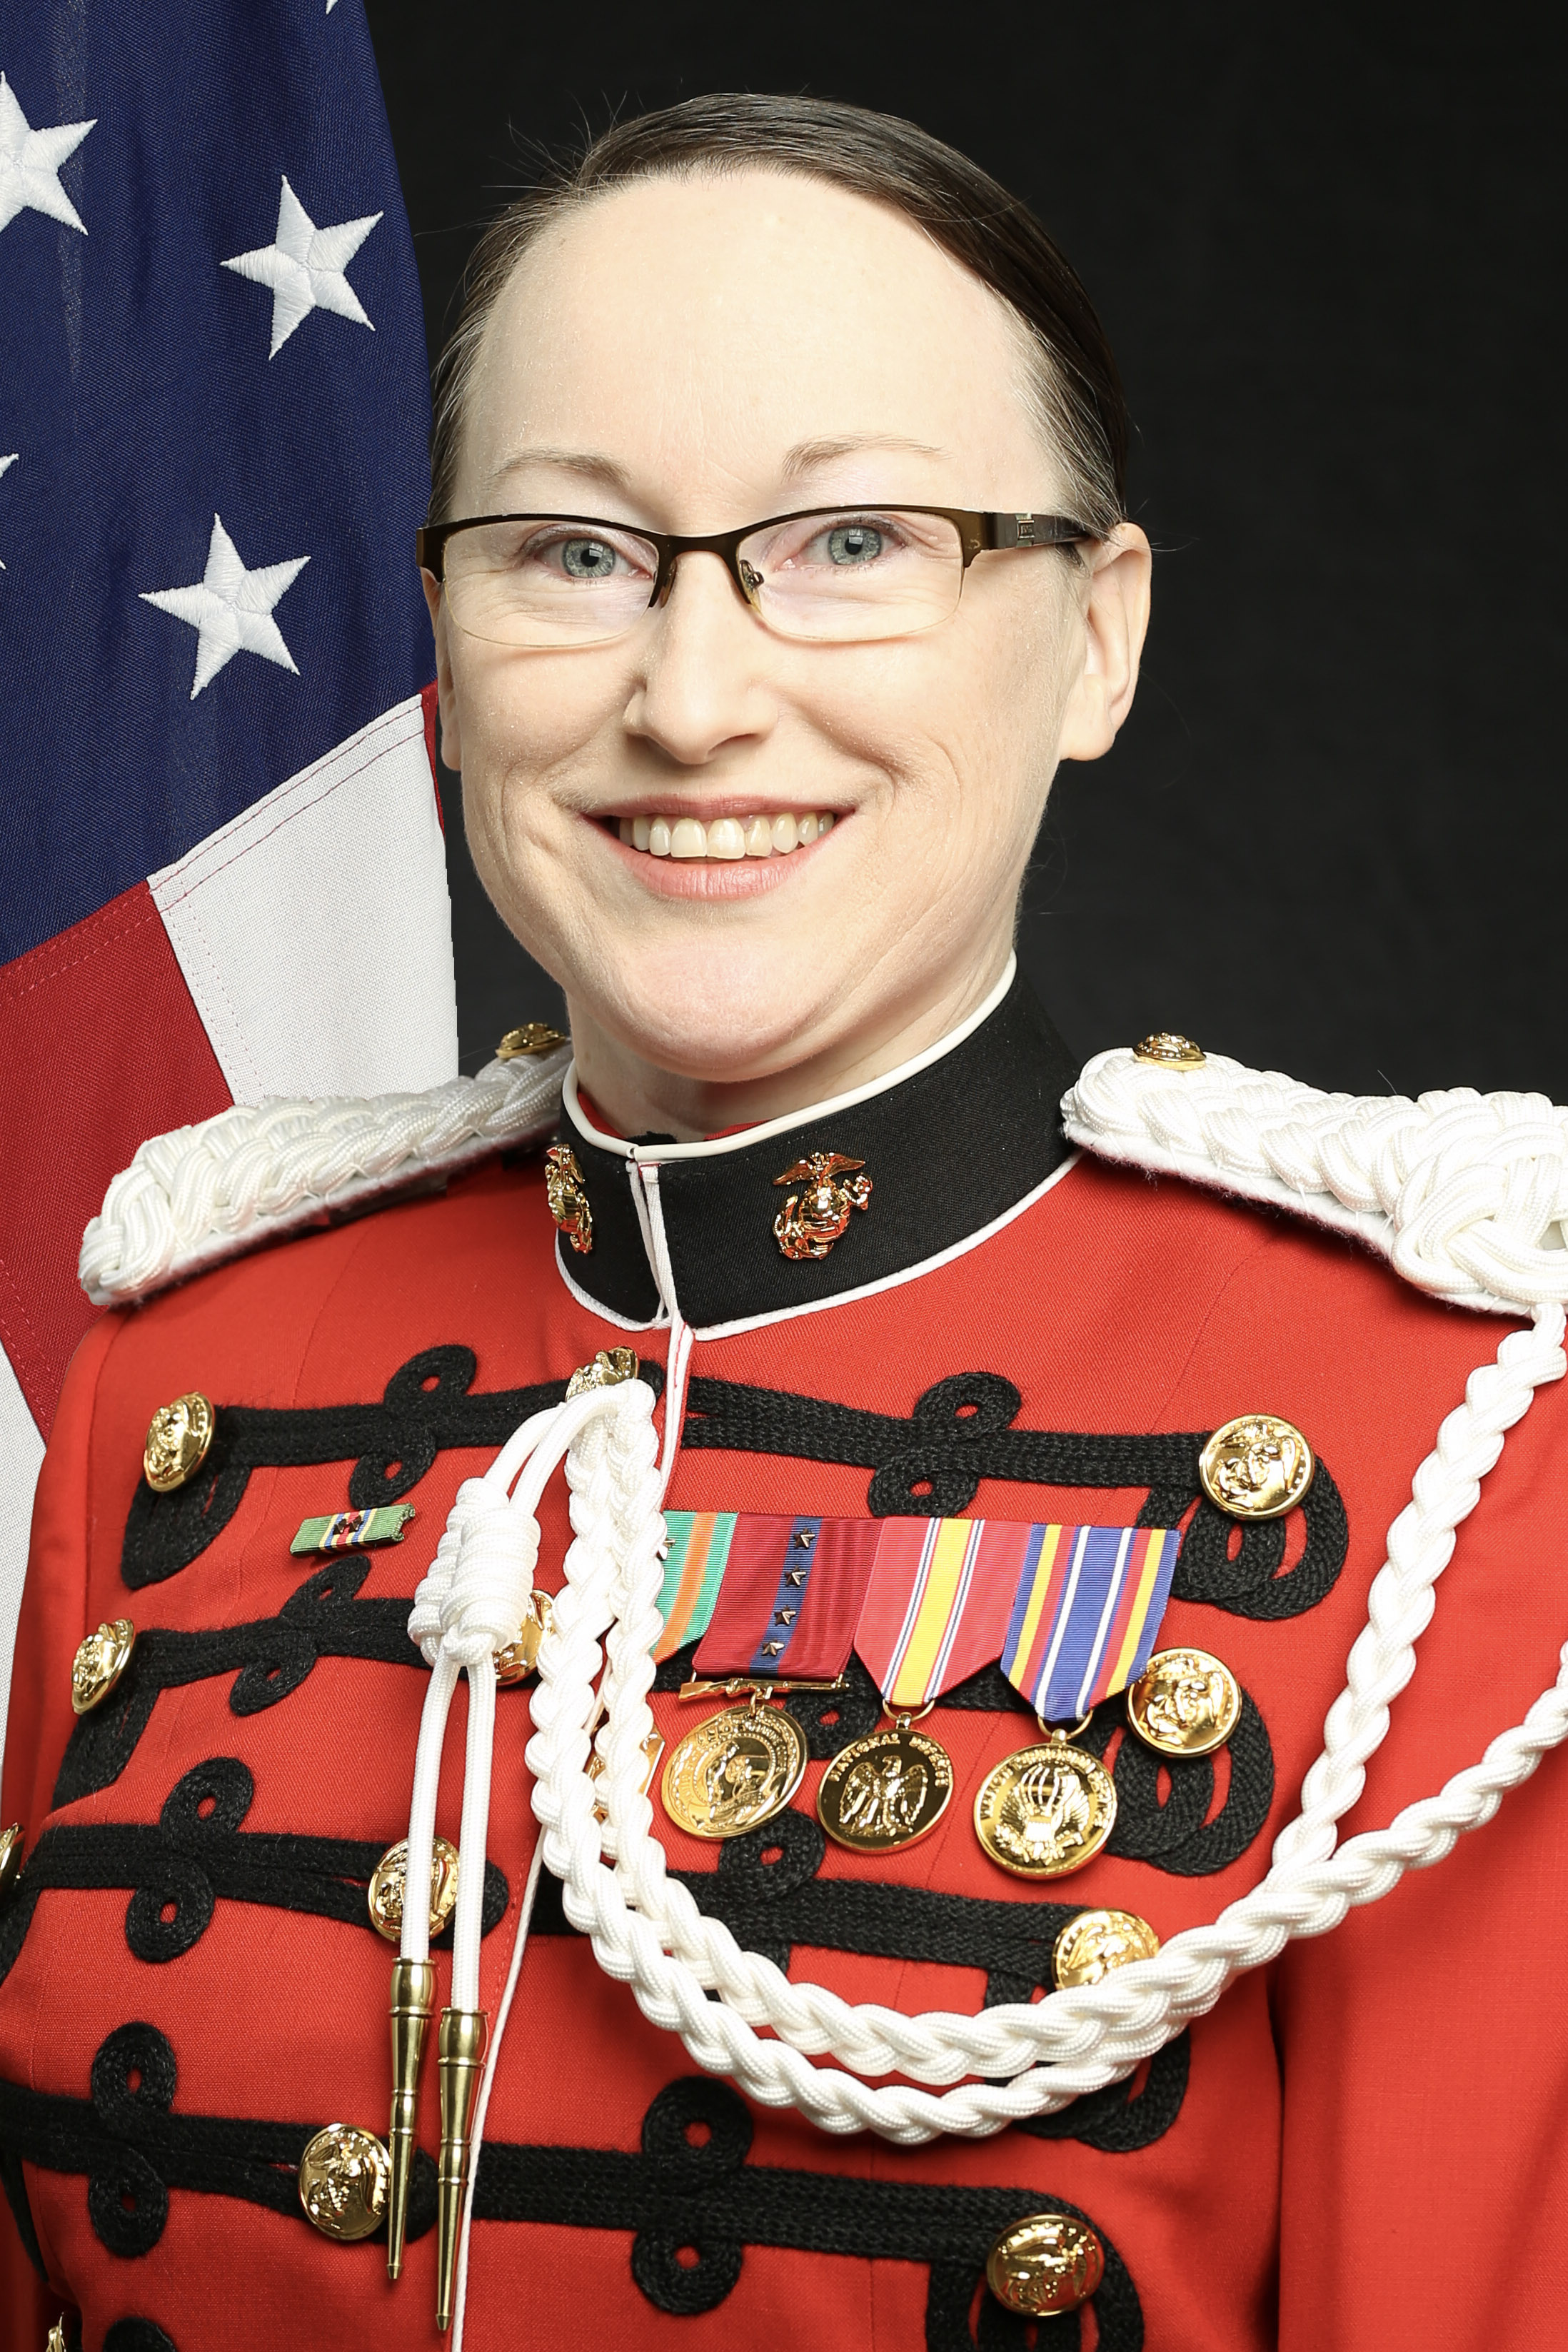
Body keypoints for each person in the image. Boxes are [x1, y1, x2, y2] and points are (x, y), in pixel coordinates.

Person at [3, 89, 1567, 2352]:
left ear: (1095, 637)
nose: (693, 698)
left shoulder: (1468, 1455)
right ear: (439, 642)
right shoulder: (190, 1369)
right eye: (570, 554)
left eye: (852, 541)